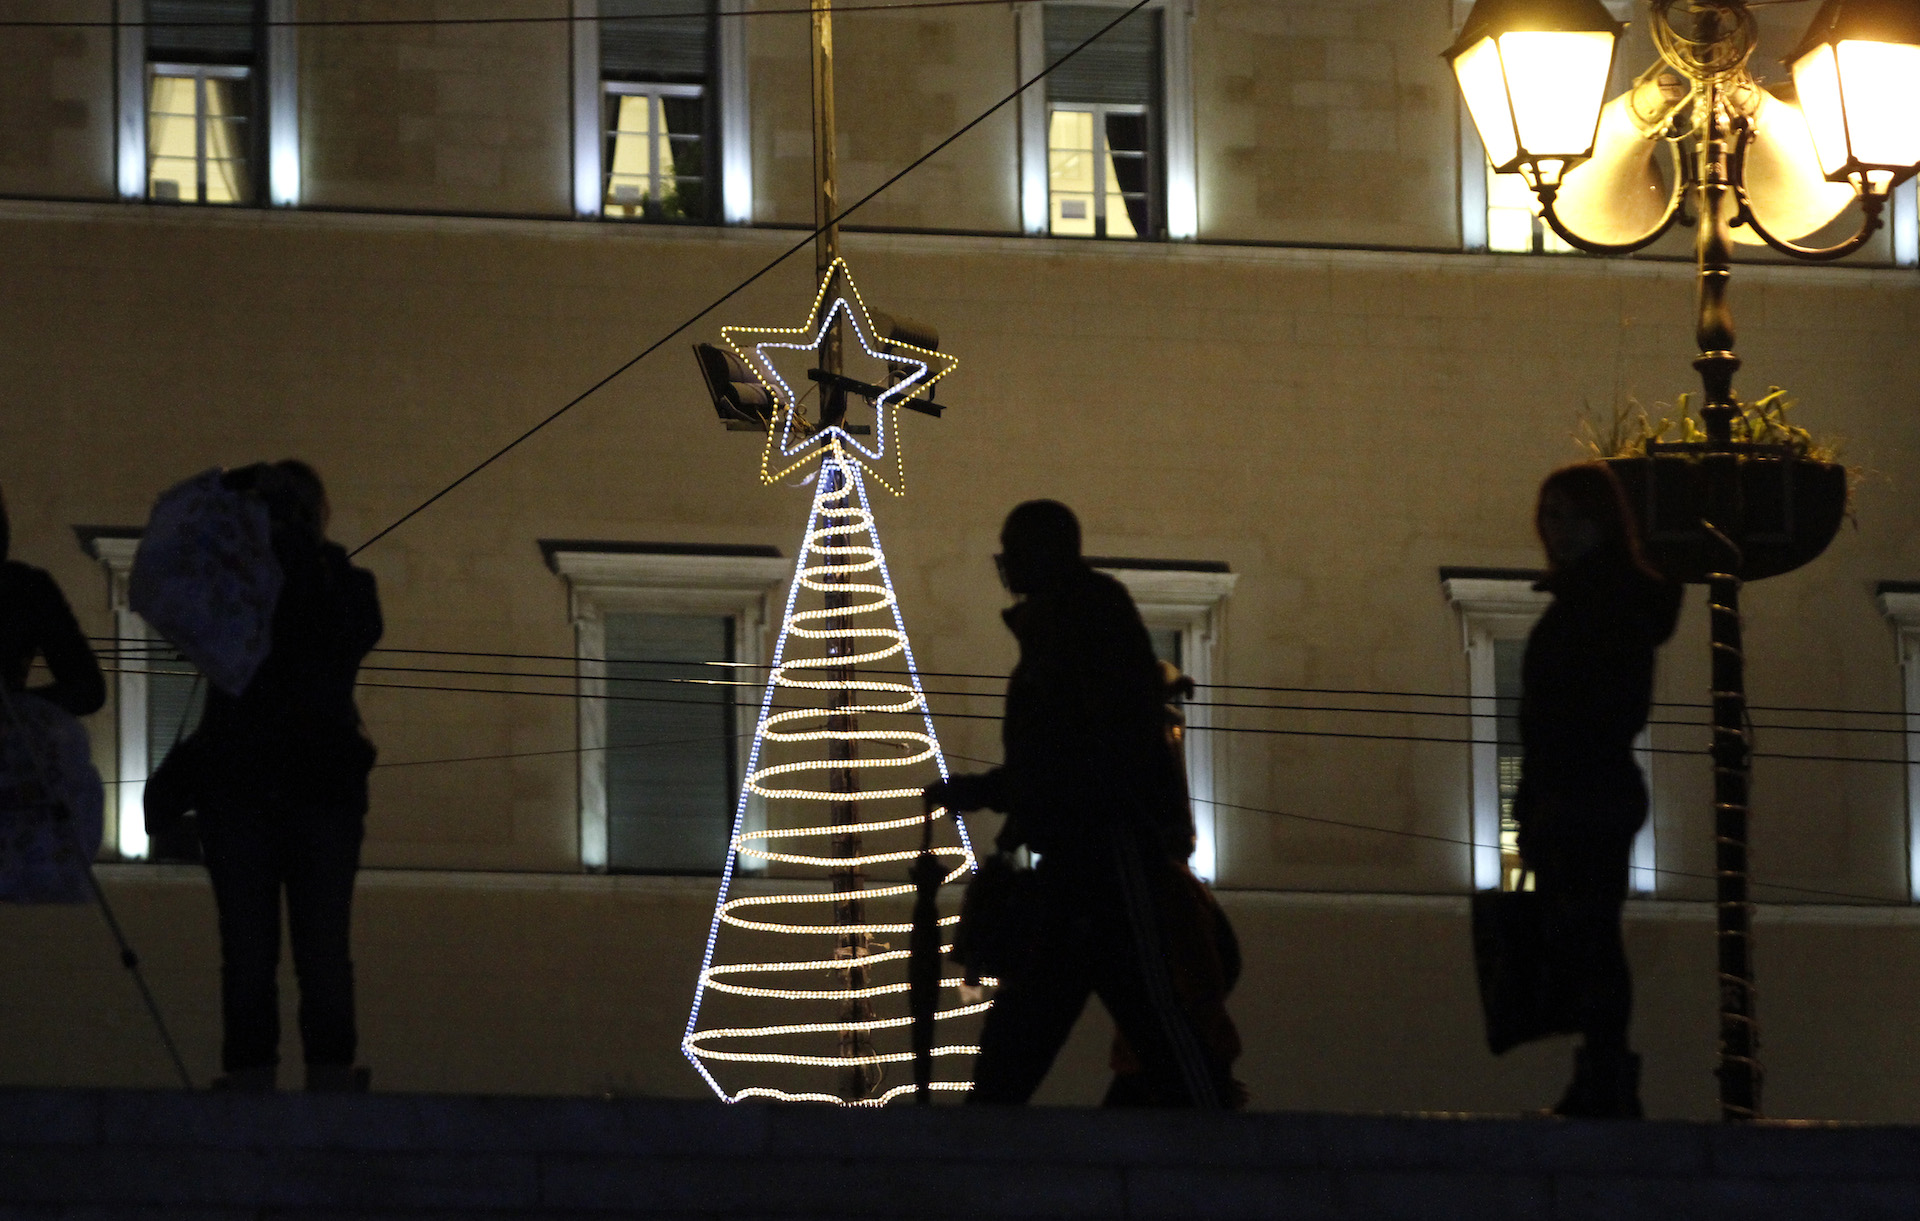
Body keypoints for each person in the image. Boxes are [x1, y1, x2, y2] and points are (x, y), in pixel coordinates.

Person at [925, 500, 1240, 1107]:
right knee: (1041, 1022)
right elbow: (1059, 756)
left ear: (1042, 554)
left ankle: (1214, 1131)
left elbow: (1073, 754)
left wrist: (992, 794)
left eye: (1013, 551)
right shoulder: (1073, 621)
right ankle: (982, 1135)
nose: (1006, 566)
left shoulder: (1079, 624)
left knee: (1146, 1014)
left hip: (1107, 857)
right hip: (1078, 862)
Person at [166, 461, 383, 1092]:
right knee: (285, 946)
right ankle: (297, 1073)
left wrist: (269, 540)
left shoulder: (331, 585)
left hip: (274, 790)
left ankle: (284, 1072)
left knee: (279, 946)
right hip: (287, 791)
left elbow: (344, 636)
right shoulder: (255, 586)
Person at [1515, 462, 1681, 1119]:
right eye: (1548, 515)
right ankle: (1602, 1072)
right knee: (1587, 934)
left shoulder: (1602, 603)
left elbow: (1595, 707)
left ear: (1602, 521)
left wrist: (1549, 787)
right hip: (1581, 785)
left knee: (1590, 934)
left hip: (1583, 786)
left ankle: (1606, 1077)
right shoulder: (1600, 599)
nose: (1555, 529)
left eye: (1569, 515)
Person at [0, 485, 106, 721]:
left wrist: (12, 705)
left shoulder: (25, 588)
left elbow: (87, 688)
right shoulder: (26, 587)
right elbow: (86, 689)